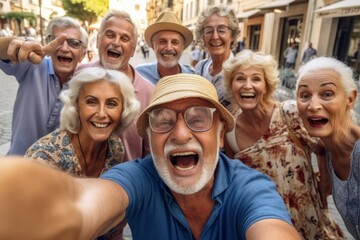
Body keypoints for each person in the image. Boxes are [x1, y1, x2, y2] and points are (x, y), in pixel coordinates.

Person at [0, 73, 301, 240]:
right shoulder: (139, 176)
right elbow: (93, 200)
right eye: (163, 120)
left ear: (222, 135)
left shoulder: (250, 187)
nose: (181, 134)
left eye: (198, 118)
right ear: (150, 139)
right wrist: (53, 212)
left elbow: (271, 228)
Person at [222, 50, 344, 239]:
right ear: (231, 85)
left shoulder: (289, 112)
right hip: (267, 221)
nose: (248, 85)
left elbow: (322, 146)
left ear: (266, 85)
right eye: (240, 79)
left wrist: (325, 182)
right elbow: (234, 182)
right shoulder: (229, 132)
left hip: (309, 214)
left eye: (256, 79)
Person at [24, 67, 139, 239]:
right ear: (76, 106)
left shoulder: (115, 148)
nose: (101, 113)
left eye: (111, 103)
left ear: (123, 110)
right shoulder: (44, 158)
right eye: (91, 102)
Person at [0, 16, 88, 156]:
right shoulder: (32, 65)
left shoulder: (85, 85)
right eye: (56, 40)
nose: (65, 48)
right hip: (18, 167)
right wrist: (15, 44)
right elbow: (4, 50)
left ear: (83, 54)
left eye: (74, 43)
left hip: (55, 174)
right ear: (48, 43)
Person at [77, 9, 154, 162]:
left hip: (126, 183)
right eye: (110, 35)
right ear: (98, 40)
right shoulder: (78, 76)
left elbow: (149, 154)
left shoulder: (149, 93)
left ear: (132, 50)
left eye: (124, 38)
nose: (116, 42)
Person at [296, 57, 360, 239]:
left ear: (350, 99)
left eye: (327, 94)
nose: (313, 106)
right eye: (305, 95)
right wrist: (324, 173)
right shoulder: (329, 146)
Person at [194, 5, 240, 107]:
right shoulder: (200, 68)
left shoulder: (239, 71)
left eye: (222, 30)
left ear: (232, 35)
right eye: (209, 31)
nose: (215, 37)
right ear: (203, 37)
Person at [135, 11, 194, 85]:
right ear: (153, 45)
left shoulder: (193, 78)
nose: (169, 48)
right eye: (163, 41)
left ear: (182, 46)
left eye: (175, 42)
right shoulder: (139, 75)